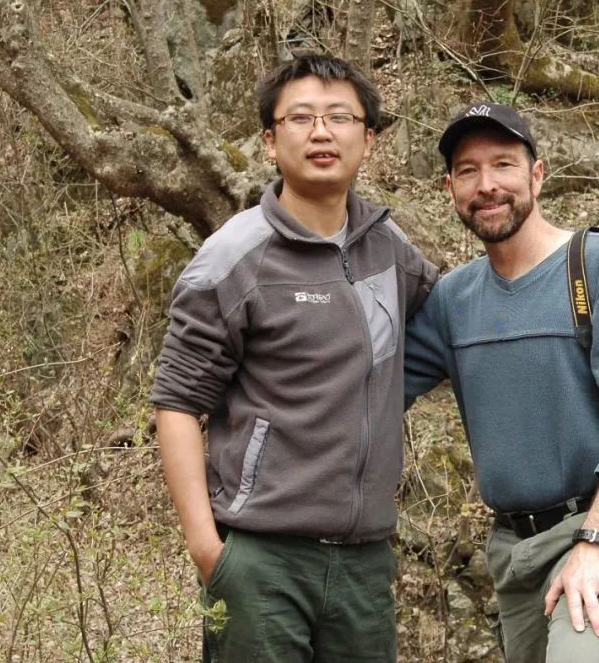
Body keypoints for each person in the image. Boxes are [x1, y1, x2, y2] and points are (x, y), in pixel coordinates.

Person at [151, 54, 437, 662]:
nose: (321, 132)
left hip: (365, 562)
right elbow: (176, 403)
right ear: (269, 140)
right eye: (301, 117)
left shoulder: (389, 249)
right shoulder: (234, 257)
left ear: (369, 138)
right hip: (263, 560)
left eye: (340, 117)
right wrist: (208, 550)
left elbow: (446, 324)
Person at [404, 102, 599, 662]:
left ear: (537, 174)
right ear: (450, 188)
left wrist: (597, 541)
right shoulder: (452, 301)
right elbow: (366, 390)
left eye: (503, 164)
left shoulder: (598, 265)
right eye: (468, 170)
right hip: (514, 555)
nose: (487, 185)